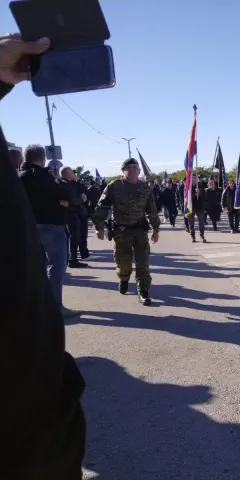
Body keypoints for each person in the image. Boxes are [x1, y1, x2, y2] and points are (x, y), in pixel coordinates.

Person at [1, 33, 86, 480]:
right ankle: (58, 302)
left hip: (34, 405)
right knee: (56, 268)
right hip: (23, 425)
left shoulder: (23, 179)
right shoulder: (40, 180)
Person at [19, 144, 81, 316]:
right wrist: (60, 200)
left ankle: (37, 307)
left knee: (37, 268)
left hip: (28, 227)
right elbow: (65, 193)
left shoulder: (19, 176)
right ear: (42, 158)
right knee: (56, 267)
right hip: (50, 225)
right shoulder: (41, 175)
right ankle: (54, 308)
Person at [93, 158, 160, 305]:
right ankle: (124, 279)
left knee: (143, 262)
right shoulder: (114, 186)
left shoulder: (145, 188)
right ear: (123, 171)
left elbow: (152, 210)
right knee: (123, 262)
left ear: (139, 171)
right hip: (121, 231)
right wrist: (99, 226)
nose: (132, 169)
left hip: (140, 231)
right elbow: (102, 206)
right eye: (129, 167)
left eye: (135, 167)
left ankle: (143, 291)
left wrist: (156, 229)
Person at [60, 166, 89, 267]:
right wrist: (79, 202)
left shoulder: (72, 183)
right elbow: (74, 199)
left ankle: (74, 258)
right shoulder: (65, 184)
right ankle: (72, 260)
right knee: (74, 237)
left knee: (76, 236)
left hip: (74, 213)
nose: (74, 174)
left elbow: (82, 190)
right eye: (72, 173)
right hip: (71, 213)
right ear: (68, 174)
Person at [186, 173, 207, 242]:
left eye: (195, 178)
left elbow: (204, 196)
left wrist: (200, 193)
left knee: (201, 223)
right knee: (191, 223)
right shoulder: (188, 187)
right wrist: (195, 194)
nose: (194, 179)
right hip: (191, 207)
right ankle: (193, 236)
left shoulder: (200, 185)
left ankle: (202, 236)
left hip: (200, 207)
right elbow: (188, 198)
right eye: (193, 178)